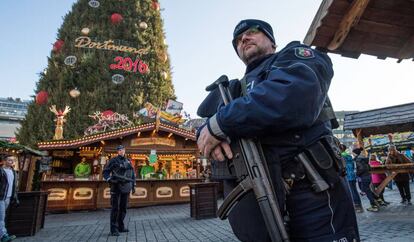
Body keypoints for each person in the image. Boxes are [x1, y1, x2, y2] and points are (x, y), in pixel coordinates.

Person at [197, 19, 359, 241]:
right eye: (237, 40)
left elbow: (294, 95)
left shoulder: (295, 56)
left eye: (252, 32)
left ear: (271, 41)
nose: (243, 39)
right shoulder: (234, 90)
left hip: (315, 193)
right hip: (263, 198)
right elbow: (205, 126)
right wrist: (209, 133)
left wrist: (222, 123)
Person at [103, 145, 136, 236]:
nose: (121, 151)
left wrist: (133, 186)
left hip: (126, 187)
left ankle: (121, 226)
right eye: (120, 150)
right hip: (116, 187)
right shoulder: (113, 160)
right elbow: (105, 171)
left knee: (123, 208)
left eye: (123, 150)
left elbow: (132, 174)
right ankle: (114, 229)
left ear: (125, 150)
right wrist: (109, 179)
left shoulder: (128, 161)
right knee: (115, 208)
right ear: (117, 151)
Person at [353, 148, 379, 212]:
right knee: (367, 190)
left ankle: (374, 205)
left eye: (353, 153)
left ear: (355, 153)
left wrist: (357, 174)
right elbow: (369, 168)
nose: (352, 154)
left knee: (367, 191)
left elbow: (361, 169)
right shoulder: (364, 159)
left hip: (364, 176)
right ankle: (377, 199)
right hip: (368, 176)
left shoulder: (358, 160)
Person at [0, 156, 19, 242]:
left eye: (12, 160)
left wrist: (14, 197)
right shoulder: (1, 171)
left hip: (8, 197)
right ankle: (4, 235)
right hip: (1, 197)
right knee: (1, 217)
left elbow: (14, 185)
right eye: (9, 160)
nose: (11, 161)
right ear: (4, 161)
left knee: (2, 216)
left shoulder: (14, 172)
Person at [340, 144, 363, 213]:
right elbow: (352, 166)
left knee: (351, 191)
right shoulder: (348, 156)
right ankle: (358, 205)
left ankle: (356, 206)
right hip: (352, 175)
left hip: (347, 176)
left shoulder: (341, 156)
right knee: (354, 191)